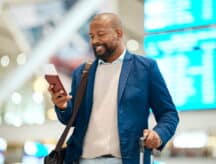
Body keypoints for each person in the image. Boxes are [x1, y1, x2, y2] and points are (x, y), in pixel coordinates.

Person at [48, 12, 179, 164]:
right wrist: (63, 106)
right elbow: (73, 119)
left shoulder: (145, 68)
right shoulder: (82, 73)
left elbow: (169, 114)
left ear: (118, 33)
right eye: (91, 36)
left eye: (101, 34)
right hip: (82, 159)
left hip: (127, 159)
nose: (95, 41)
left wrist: (158, 135)